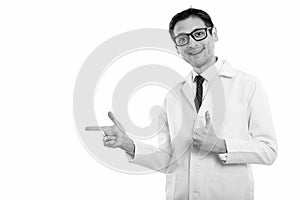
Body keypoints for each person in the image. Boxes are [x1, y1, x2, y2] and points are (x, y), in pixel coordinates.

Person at [97, 8, 278, 200]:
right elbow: (169, 160)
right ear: (177, 47)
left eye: (198, 34)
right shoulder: (172, 96)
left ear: (214, 34)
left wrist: (221, 146)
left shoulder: (248, 85)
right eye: (182, 39)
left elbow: (269, 150)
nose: (192, 43)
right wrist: (128, 144)